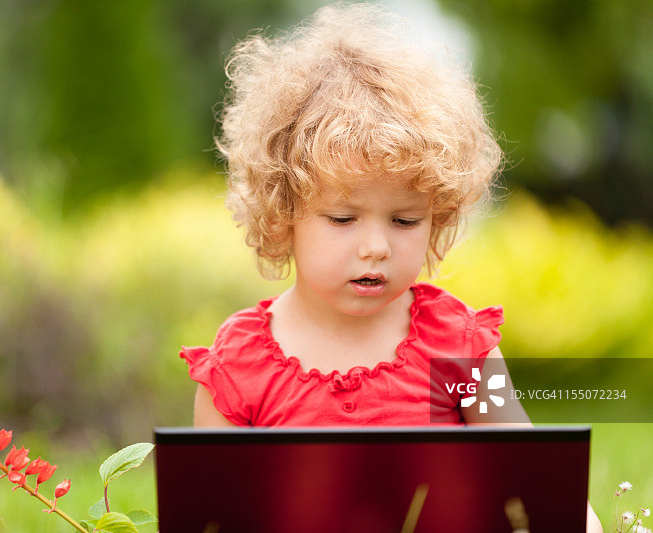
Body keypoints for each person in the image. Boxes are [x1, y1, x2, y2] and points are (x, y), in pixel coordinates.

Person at [180, 4, 601, 530]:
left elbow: (533, 478)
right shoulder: (239, 366)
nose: (376, 246)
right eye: (342, 218)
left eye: (405, 221)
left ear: (437, 217)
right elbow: (210, 515)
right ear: (283, 212)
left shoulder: (457, 344)